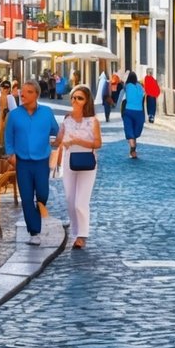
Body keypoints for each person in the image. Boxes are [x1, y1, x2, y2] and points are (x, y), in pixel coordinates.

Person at [5, 80, 60, 246]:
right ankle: (34, 231)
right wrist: (10, 154)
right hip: (22, 162)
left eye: (28, 91)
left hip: (42, 160)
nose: (23, 94)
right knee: (27, 197)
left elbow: (56, 131)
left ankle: (38, 214)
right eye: (22, 91)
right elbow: (8, 137)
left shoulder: (47, 113)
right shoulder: (14, 115)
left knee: (42, 194)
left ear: (36, 94)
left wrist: (54, 144)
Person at [54, 85, 102, 250]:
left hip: (87, 160)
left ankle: (82, 236)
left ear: (86, 101)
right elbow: (58, 139)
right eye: (74, 97)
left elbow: (98, 143)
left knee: (81, 202)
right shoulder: (67, 119)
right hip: (69, 160)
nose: (75, 100)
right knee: (70, 200)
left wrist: (77, 141)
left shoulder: (93, 121)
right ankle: (76, 231)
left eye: (79, 98)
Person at [121, 70, 146, 159]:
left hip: (128, 110)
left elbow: (122, 83)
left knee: (129, 128)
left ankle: (132, 148)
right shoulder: (140, 87)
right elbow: (143, 98)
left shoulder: (127, 86)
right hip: (139, 112)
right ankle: (133, 149)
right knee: (135, 131)